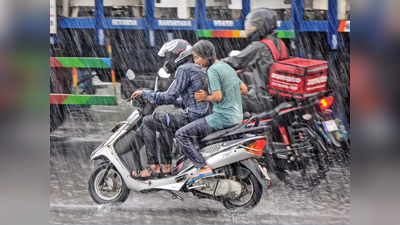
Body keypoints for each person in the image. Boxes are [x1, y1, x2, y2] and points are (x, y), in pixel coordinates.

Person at [130, 39, 211, 180]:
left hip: (193, 117)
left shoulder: (184, 69)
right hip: (203, 116)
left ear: (177, 54)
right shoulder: (196, 68)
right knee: (165, 126)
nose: (167, 61)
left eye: (168, 57)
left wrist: (145, 93)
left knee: (149, 121)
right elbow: (192, 98)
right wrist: (178, 103)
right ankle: (166, 168)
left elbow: (168, 96)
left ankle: (153, 167)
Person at [175, 40, 248, 185]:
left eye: (197, 57)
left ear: (205, 56)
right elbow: (244, 89)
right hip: (236, 117)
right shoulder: (226, 66)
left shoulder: (212, 70)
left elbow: (217, 97)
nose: (196, 62)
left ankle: (202, 167)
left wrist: (205, 97)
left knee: (181, 134)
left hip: (221, 118)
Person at [221, 8, 284, 115]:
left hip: (261, 99)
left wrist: (213, 64)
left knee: (219, 99)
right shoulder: (278, 42)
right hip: (275, 96)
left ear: (262, 25)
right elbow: (265, 63)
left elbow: (236, 61)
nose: (249, 28)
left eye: (253, 25)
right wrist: (242, 69)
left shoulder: (260, 45)